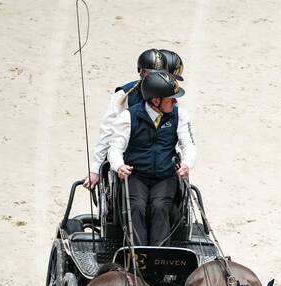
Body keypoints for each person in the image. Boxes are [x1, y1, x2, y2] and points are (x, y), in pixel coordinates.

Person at [108, 71, 196, 246]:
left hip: (165, 177)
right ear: (156, 101)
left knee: (160, 206)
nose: (175, 101)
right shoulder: (128, 117)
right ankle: (138, 254)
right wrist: (119, 166)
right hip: (136, 176)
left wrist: (186, 163)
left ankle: (160, 255)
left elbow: (188, 146)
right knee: (136, 207)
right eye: (171, 98)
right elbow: (115, 149)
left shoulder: (179, 116)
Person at [83, 49, 184, 189]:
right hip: (129, 159)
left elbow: (175, 132)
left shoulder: (168, 96)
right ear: (141, 72)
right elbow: (107, 132)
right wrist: (95, 169)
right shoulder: (124, 95)